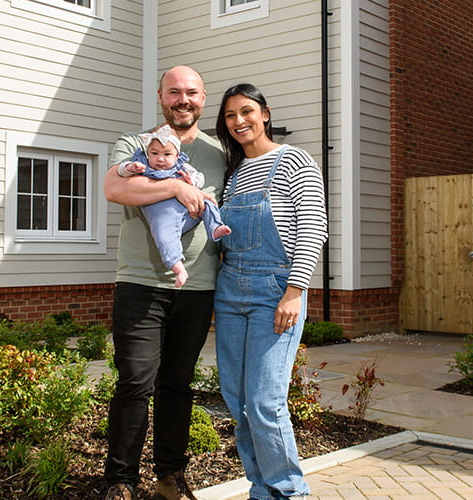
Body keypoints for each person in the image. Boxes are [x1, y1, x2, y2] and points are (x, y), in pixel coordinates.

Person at [101, 65, 226, 500]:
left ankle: (170, 477)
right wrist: (175, 186)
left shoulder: (218, 152)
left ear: (203, 98)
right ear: (161, 97)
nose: (183, 100)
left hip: (198, 287)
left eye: (191, 93)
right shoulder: (136, 143)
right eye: (174, 92)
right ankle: (120, 480)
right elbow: (116, 189)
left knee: (178, 384)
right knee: (135, 382)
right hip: (140, 283)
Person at [212, 83, 327, 500]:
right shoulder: (235, 171)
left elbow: (313, 227)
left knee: (264, 402)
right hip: (229, 291)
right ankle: (262, 489)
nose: (239, 121)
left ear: (265, 113)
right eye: (230, 116)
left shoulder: (293, 159)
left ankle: (290, 492)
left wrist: (295, 291)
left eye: (246, 111)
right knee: (237, 402)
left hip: (274, 289)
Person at [114, 124, 231, 288]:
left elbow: (200, 178)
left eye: (167, 154)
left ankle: (215, 227)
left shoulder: (182, 166)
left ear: (177, 155)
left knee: (208, 202)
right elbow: (117, 180)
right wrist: (129, 168)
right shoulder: (143, 165)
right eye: (154, 153)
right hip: (162, 216)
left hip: (187, 216)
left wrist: (192, 182)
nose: (160, 159)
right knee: (163, 235)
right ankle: (178, 267)